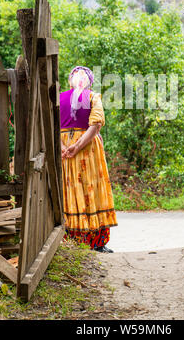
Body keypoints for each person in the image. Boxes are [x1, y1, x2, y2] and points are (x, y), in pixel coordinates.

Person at [60, 66, 117, 253]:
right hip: (88, 150)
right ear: (89, 82)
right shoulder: (92, 97)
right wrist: (78, 146)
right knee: (92, 188)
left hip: (63, 149)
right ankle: (96, 242)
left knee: (69, 189)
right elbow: (95, 125)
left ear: (70, 81)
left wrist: (63, 147)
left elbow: (50, 126)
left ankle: (71, 239)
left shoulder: (58, 98)